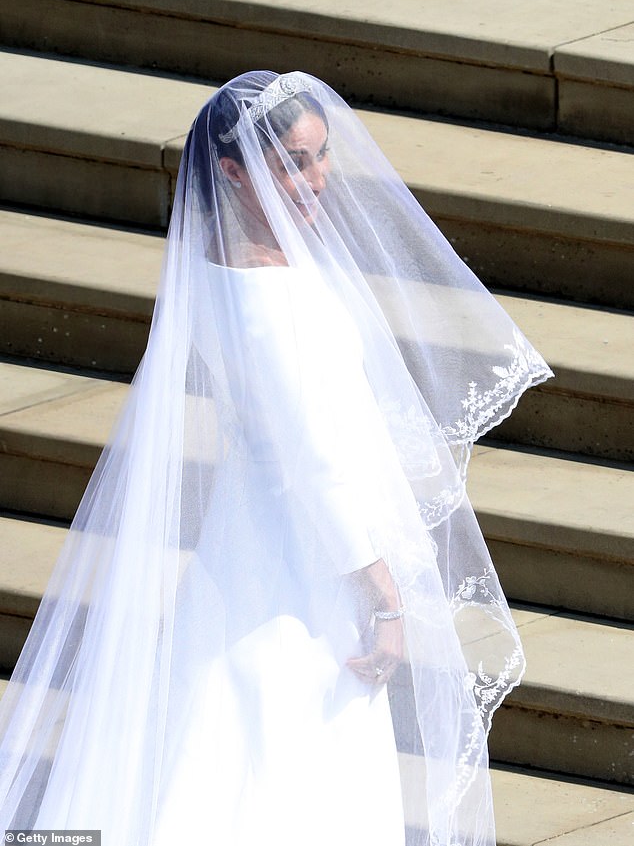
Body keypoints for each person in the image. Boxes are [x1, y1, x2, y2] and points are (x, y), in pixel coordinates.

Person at [0, 71, 553, 845]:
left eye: (323, 155)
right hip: (301, 569)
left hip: (248, 542)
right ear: (233, 172)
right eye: (294, 163)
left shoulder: (225, 264)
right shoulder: (266, 300)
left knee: (230, 736)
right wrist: (384, 598)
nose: (318, 180)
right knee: (290, 752)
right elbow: (315, 463)